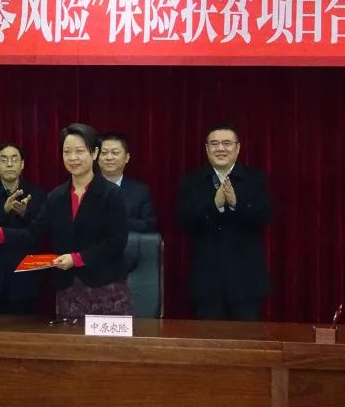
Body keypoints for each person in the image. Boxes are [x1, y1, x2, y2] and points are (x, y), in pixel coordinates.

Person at [0, 123, 132, 318]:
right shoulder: (56, 197)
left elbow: (115, 242)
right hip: (68, 290)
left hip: (106, 287)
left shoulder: (111, 194)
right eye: (67, 152)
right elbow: (31, 235)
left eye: (79, 151)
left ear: (94, 153)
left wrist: (75, 259)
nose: (72, 157)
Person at [176, 124, 273, 321]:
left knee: (247, 338)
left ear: (238, 148)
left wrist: (236, 203)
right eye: (214, 144)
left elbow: (265, 216)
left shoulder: (255, 179)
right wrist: (215, 205)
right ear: (207, 149)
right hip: (207, 280)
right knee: (210, 338)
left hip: (246, 280)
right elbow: (184, 220)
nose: (220, 148)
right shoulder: (192, 181)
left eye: (227, 143)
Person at [0, 142, 46, 315]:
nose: (10, 164)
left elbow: (41, 233)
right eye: (4, 160)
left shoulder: (37, 195)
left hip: (24, 280)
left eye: (14, 159)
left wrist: (24, 213)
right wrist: (4, 211)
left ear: (22, 164)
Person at [98, 132, 158, 233]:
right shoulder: (84, 188)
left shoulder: (140, 192)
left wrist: (118, 222)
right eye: (103, 153)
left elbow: (149, 224)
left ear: (126, 158)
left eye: (115, 153)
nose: (109, 157)